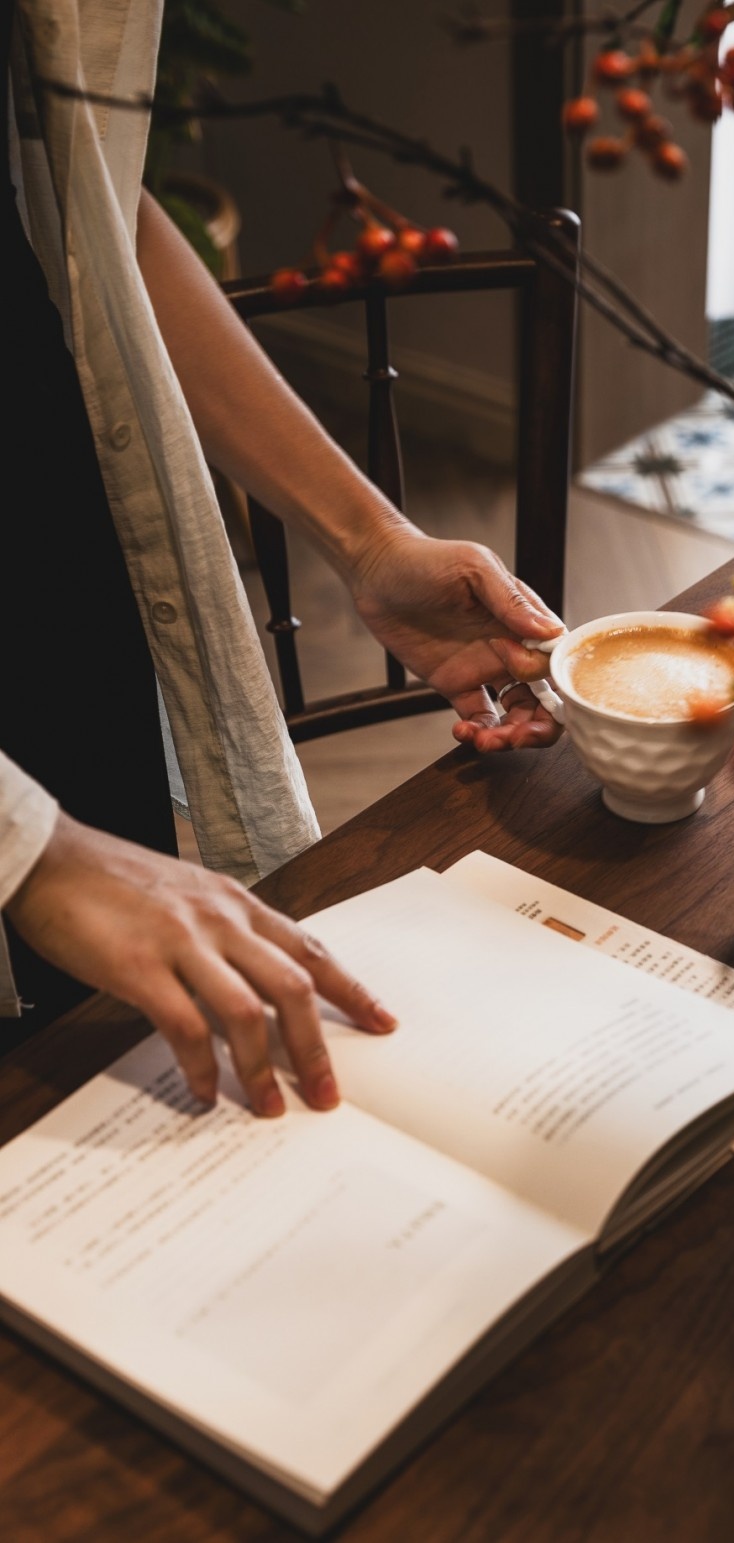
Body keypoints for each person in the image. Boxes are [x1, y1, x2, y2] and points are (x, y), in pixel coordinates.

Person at [0, 0, 563, 1117]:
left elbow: (89, 211)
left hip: (44, 531)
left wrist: (372, 539)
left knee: (95, 1056)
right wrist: (31, 852)